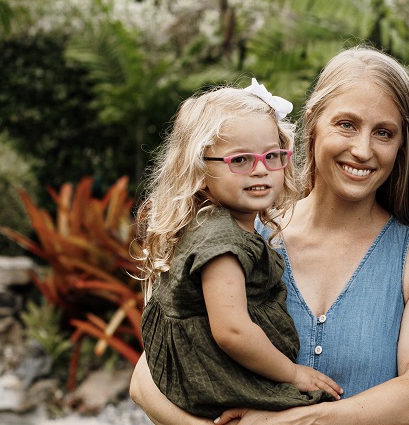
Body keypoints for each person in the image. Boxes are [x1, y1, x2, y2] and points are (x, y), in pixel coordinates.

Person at [129, 47, 409, 425]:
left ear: (401, 146)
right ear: (313, 124)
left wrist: (295, 422)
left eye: (384, 133)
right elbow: (145, 379)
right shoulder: (241, 237)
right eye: (346, 124)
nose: (362, 150)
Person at [135, 79, 341, 418]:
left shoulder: (213, 226)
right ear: (200, 171)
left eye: (271, 156)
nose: (260, 169)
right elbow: (232, 332)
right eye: (241, 160)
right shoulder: (222, 243)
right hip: (218, 377)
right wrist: (293, 374)